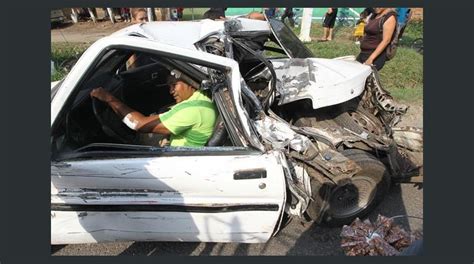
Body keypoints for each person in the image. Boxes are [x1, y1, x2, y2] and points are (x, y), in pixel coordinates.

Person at [89, 70, 218, 147]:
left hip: (177, 163)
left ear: (192, 83)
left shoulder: (193, 110)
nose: (171, 91)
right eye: (169, 86)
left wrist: (109, 99)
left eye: (174, 85)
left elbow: (138, 124)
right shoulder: (202, 98)